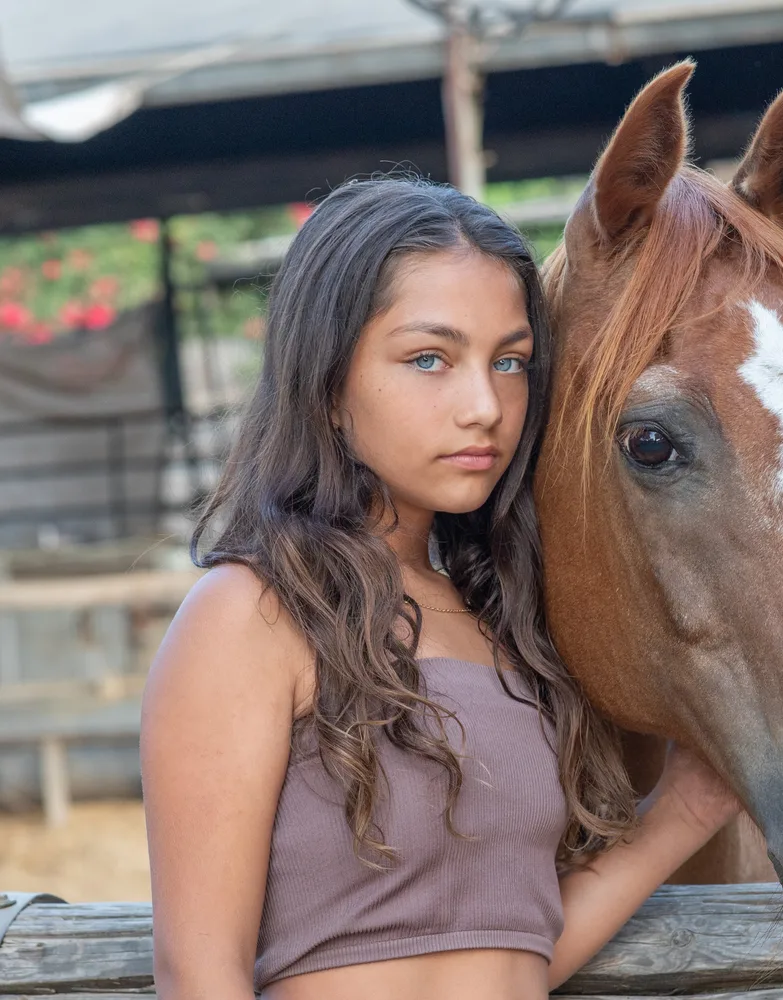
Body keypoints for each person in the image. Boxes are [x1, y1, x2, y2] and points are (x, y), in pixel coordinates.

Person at [141, 177, 742, 1000]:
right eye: (430, 358)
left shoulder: (508, 627)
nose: (485, 406)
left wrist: (688, 808)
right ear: (327, 382)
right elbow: (198, 974)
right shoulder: (254, 614)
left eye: (511, 362)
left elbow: (516, 950)